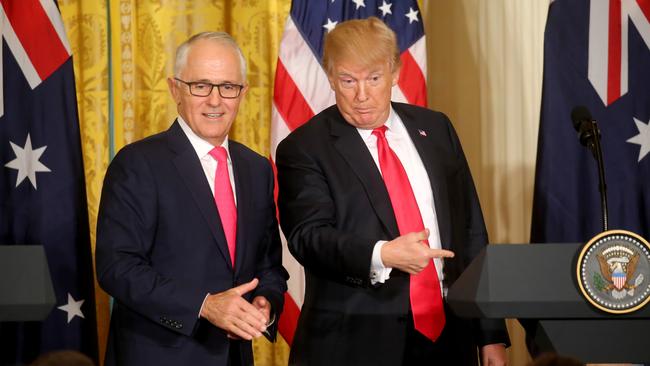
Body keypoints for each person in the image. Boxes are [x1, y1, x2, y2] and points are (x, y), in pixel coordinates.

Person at [276, 17, 510, 366]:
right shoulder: (305, 147)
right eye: (348, 80)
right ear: (330, 78)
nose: (362, 95)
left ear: (395, 73)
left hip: (449, 338)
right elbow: (308, 237)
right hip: (356, 344)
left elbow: (471, 232)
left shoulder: (437, 128)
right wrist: (381, 255)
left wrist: (490, 334)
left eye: (374, 78)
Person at [95, 32, 288, 366]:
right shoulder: (138, 164)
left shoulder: (256, 169)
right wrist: (204, 304)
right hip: (158, 356)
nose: (215, 101)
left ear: (242, 93)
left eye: (228, 87)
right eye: (201, 85)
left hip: (235, 357)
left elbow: (268, 265)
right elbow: (117, 267)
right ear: (175, 90)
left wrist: (264, 303)